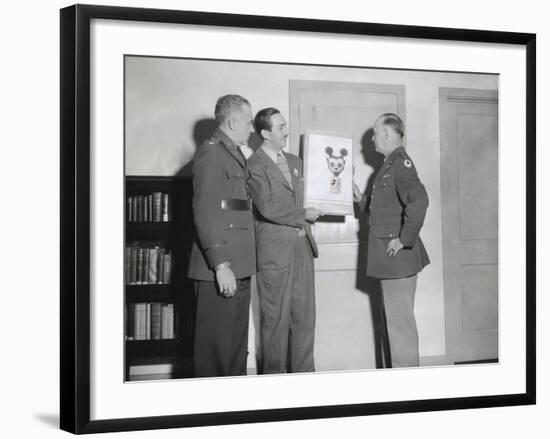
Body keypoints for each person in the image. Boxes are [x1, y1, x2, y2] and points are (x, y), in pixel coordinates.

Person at [247, 108, 322, 374]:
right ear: (265, 133)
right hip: (275, 254)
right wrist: (303, 214)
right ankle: (274, 384)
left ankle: (304, 379)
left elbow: (317, 191)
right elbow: (267, 207)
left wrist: (342, 185)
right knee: (275, 322)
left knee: (305, 319)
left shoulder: (295, 161)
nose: (286, 131)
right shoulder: (254, 165)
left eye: (285, 125)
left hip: (302, 247)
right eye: (280, 127)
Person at [187, 94, 256, 377]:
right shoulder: (212, 153)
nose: (251, 129)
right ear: (232, 121)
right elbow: (206, 212)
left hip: (237, 266)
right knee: (215, 354)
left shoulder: (233, 153)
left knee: (234, 350)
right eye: (248, 122)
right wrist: (222, 265)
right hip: (221, 268)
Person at [354, 112, 430, 368]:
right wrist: (359, 198)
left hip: (398, 259)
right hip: (390, 261)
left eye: (375, 133)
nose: (373, 138)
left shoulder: (400, 164)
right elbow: (385, 209)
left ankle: (407, 393)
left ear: (386, 133)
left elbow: (419, 201)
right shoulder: (389, 164)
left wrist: (404, 239)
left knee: (400, 330)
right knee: (395, 327)